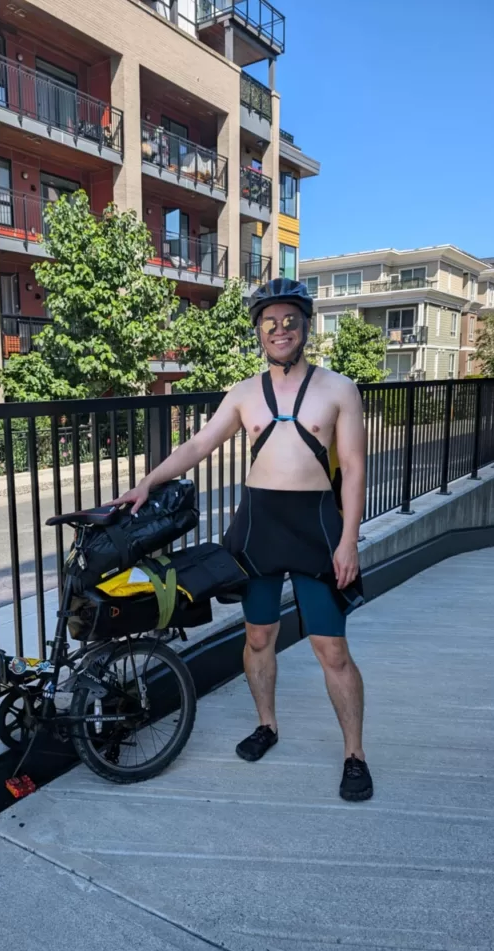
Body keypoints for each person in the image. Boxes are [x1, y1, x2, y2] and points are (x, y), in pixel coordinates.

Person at [113, 278, 373, 802]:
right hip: (257, 525)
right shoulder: (244, 393)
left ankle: (354, 754)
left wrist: (349, 540)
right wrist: (148, 482)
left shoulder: (339, 389)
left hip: (317, 525)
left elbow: (355, 467)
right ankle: (267, 725)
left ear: (305, 326)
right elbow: (200, 443)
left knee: (332, 648)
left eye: (289, 321)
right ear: (259, 331)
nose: (280, 330)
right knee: (258, 637)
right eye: (269, 323)